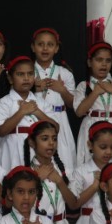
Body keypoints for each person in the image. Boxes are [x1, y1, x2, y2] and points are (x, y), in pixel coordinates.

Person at [23, 121, 77, 224]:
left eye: (54, 138)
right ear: (32, 142)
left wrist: (60, 181)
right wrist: (36, 179)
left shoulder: (64, 170)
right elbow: (19, 203)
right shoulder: (25, 172)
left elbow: (73, 204)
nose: (51, 143)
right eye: (45, 138)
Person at [74, 42, 112, 166]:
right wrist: (95, 92)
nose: (104, 64)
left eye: (108, 60)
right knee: (92, 166)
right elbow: (79, 112)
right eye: (99, 60)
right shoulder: (83, 86)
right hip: (92, 126)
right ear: (89, 62)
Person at [0, 56, 57, 170]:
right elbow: (1, 131)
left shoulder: (41, 103)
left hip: (38, 150)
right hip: (12, 151)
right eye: (20, 74)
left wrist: (37, 112)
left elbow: (56, 128)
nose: (26, 78)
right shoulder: (4, 102)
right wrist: (22, 112)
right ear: (10, 79)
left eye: (30, 74)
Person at [31, 28, 77, 170]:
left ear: (56, 48)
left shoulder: (65, 73)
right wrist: (34, 88)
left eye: (50, 45)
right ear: (33, 47)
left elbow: (72, 104)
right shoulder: (27, 71)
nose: (45, 48)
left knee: (63, 162)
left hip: (59, 119)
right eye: (40, 44)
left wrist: (62, 90)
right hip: (34, 118)